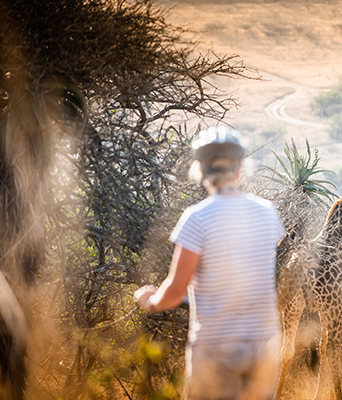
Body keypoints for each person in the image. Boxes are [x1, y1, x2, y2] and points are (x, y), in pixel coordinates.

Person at [134, 126, 284, 400]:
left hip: (216, 347)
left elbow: (175, 292)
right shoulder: (267, 212)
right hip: (264, 345)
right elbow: (260, 259)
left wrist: (151, 301)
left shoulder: (197, 218)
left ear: (201, 171)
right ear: (239, 169)